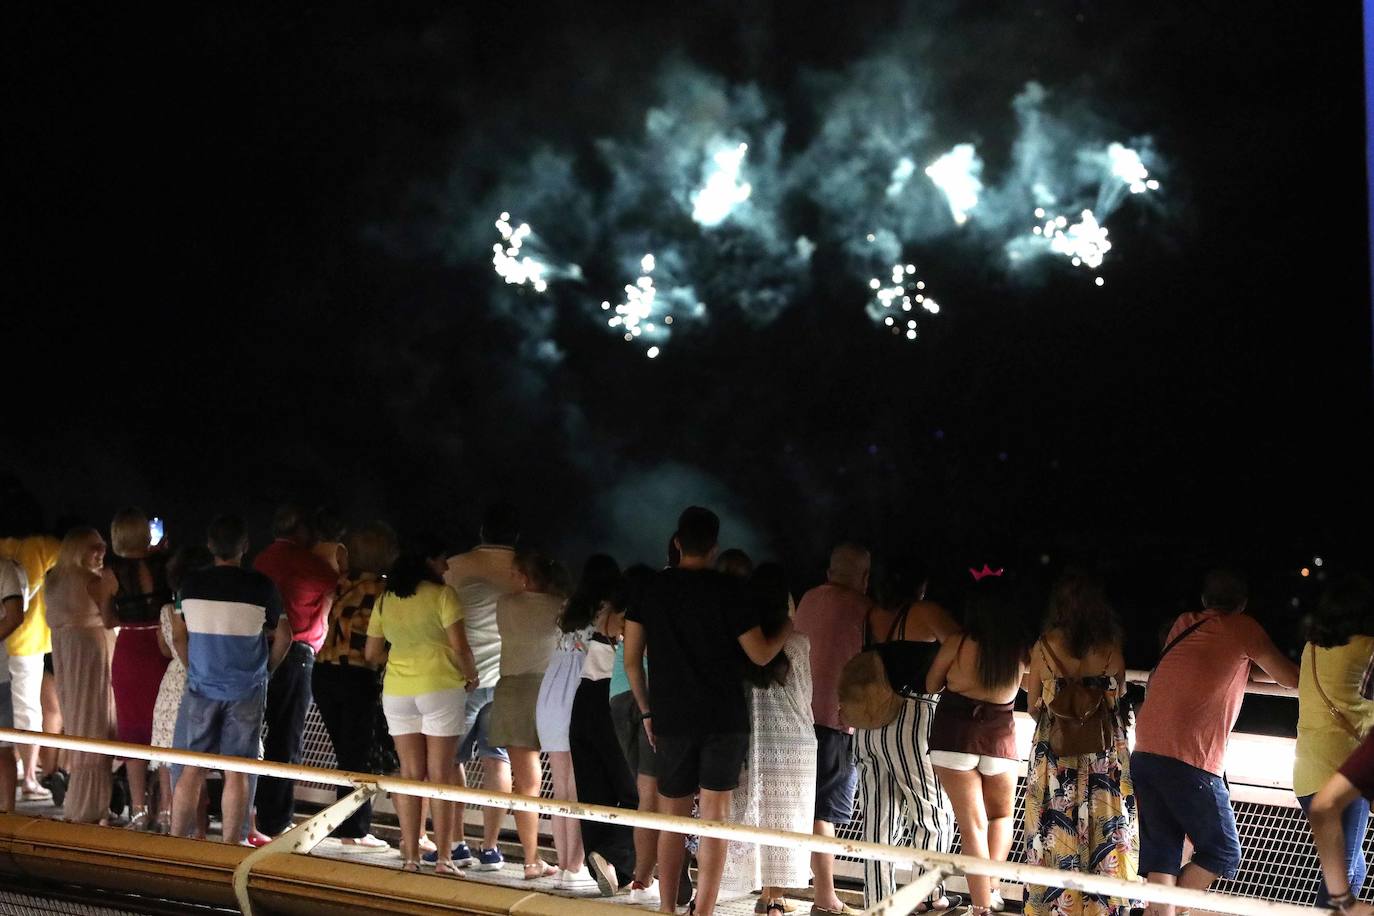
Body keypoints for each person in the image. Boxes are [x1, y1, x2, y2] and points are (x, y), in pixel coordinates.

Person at [623, 506, 794, 916]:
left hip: (672, 718)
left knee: (673, 816)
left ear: (678, 542)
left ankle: (666, 908)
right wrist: (786, 626)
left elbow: (632, 659)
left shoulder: (651, 590)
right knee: (714, 818)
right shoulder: (729, 591)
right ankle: (703, 910)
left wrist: (647, 713)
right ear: (715, 547)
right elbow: (759, 653)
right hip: (724, 719)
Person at [1132, 569, 1300, 916]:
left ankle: (1159, 912)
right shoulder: (1243, 628)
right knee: (1222, 851)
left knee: (1162, 854)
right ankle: (1170, 911)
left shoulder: (1184, 624)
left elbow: (1208, 661)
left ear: (1205, 600)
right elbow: (1290, 678)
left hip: (1146, 751)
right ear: (1242, 604)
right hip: (1190, 759)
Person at [1023, 573, 1138, 916]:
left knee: (1053, 822)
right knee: (1106, 825)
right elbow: (1116, 698)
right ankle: (1101, 906)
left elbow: (1032, 707)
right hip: (1103, 751)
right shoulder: (1110, 649)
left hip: (1055, 751)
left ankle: (1057, 905)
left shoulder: (1043, 647)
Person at [171, 515, 290, 843]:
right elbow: (284, 636)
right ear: (245, 547)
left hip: (201, 686)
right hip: (246, 690)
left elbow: (179, 637)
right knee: (236, 769)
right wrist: (268, 670)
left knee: (191, 767)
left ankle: (174, 841)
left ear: (210, 546)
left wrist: (191, 666)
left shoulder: (189, 586)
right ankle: (228, 845)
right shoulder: (262, 587)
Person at [853, 556, 959, 912]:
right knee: (933, 813)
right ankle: (926, 896)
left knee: (877, 819)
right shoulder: (924, 612)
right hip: (911, 717)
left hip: (867, 724)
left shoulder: (869, 616)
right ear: (920, 585)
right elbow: (960, 646)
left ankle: (879, 903)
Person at [365, 544, 479, 873]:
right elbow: (461, 647)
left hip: (398, 691)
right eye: (441, 557)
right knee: (440, 775)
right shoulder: (443, 596)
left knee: (411, 775)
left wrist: (402, 659)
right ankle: (443, 858)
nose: (445, 564)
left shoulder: (386, 599)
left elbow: (372, 654)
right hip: (440, 687)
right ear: (427, 560)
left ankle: (412, 857)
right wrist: (470, 677)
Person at [926, 572, 1029, 916]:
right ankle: (992, 889)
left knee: (972, 825)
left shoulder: (957, 641)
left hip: (954, 735)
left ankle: (981, 906)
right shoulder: (1018, 649)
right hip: (999, 737)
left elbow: (931, 682)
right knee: (1001, 816)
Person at [722, 563, 817, 916]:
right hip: (792, 741)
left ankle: (756, 890)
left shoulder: (739, 643)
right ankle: (773, 897)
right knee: (785, 819)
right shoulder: (797, 643)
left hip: (748, 738)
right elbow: (804, 694)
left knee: (747, 811)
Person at [792, 543, 875, 916]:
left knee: (792, 810)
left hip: (795, 719)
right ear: (864, 578)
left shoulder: (808, 598)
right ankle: (825, 897)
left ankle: (772, 893)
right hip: (837, 721)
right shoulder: (865, 610)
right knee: (823, 815)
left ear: (829, 572)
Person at [251, 503, 340, 837]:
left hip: (261, 648)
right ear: (301, 531)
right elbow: (336, 587)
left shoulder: (261, 560)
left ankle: (253, 812)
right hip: (297, 651)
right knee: (286, 738)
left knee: (255, 735)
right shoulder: (311, 564)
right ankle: (276, 820)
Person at [441, 503, 520, 869]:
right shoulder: (526, 572)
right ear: (515, 536)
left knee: (450, 759)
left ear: (483, 532)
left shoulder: (455, 567)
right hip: (507, 681)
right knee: (497, 760)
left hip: (464, 678)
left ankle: (455, 842)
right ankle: (491, 848)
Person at [312, 522, 398, 854]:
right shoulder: (383, 591)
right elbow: (373, 648)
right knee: (359, 756)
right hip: (357, 676)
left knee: (347, 753)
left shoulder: (341, 584)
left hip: (323, 673)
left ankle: (350, 825)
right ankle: (353, 829)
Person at [1294, 574, 1374, 905]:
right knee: (1343, 878)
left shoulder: (1311, 648)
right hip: (1344, 772)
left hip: (1306, 773)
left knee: (1353, 865)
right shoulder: (1368, 648)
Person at [489, 550, 566, 879]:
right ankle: (570, 862)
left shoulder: (505, 604)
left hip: (513, 691)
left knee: (527, 782)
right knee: (564, 780)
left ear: (523, 576)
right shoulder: (561, 606)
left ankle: (532, 859)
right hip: (553, 691)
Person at [567, 556, 638, 896]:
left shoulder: (600, 613)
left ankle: (610, 869)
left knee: (593, 789)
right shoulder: (631, 619)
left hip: (583, 701)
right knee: (634, 791)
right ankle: (610, 857)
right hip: (614, 700)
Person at [103, 507, 173, 830]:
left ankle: (139, 811)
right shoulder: (166, 566)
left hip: (130, 648)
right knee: (164, 729)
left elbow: (108, 619)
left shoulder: (111, 572)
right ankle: (168, 810)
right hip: (161, 647)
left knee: (133, 732)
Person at [536, 554, 602, 891]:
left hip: (549, 697)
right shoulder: (601, 617)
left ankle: (565, 864)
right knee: (575, 787)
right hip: (575, 698)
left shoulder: (567, 612)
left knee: (560, 787)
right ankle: (573, 866)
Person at [44, 527, 118, 824]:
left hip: (66, 655)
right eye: (94, 547)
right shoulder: (92, 580)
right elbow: (111, 617)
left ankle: (87, 802)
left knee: (79, 723)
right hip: (92, 655)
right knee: (98, 724)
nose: (100, 553)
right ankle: (92, 805)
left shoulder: (53, 578)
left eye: (102, 546)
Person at [609, 563, 666, 906]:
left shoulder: (626, 613)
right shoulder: (653, 611)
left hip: (617, 696)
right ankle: (643, 879)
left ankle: (642, 875)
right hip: (646, 698)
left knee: (642, 794)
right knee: (652, 796)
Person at [0, 495, 62, 803]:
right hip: (30, 639)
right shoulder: (43, 546)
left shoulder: (2, 548)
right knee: (28, 711)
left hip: (3, 643)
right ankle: (27, 777)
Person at [151, 545, 213, 835]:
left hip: (172, 684)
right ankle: (199, 831)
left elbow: (165, 647)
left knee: (171, 763)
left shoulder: (167, 610)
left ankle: (171, 823)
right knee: (196, 767)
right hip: (199, 681)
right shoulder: (204, 608)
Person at [0, 556, 28, 814]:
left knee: (4, 746)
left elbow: (14, 615)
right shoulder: (3, 567)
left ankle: (8, 813)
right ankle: (8, 815)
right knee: (3, 745)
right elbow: (15, 615)